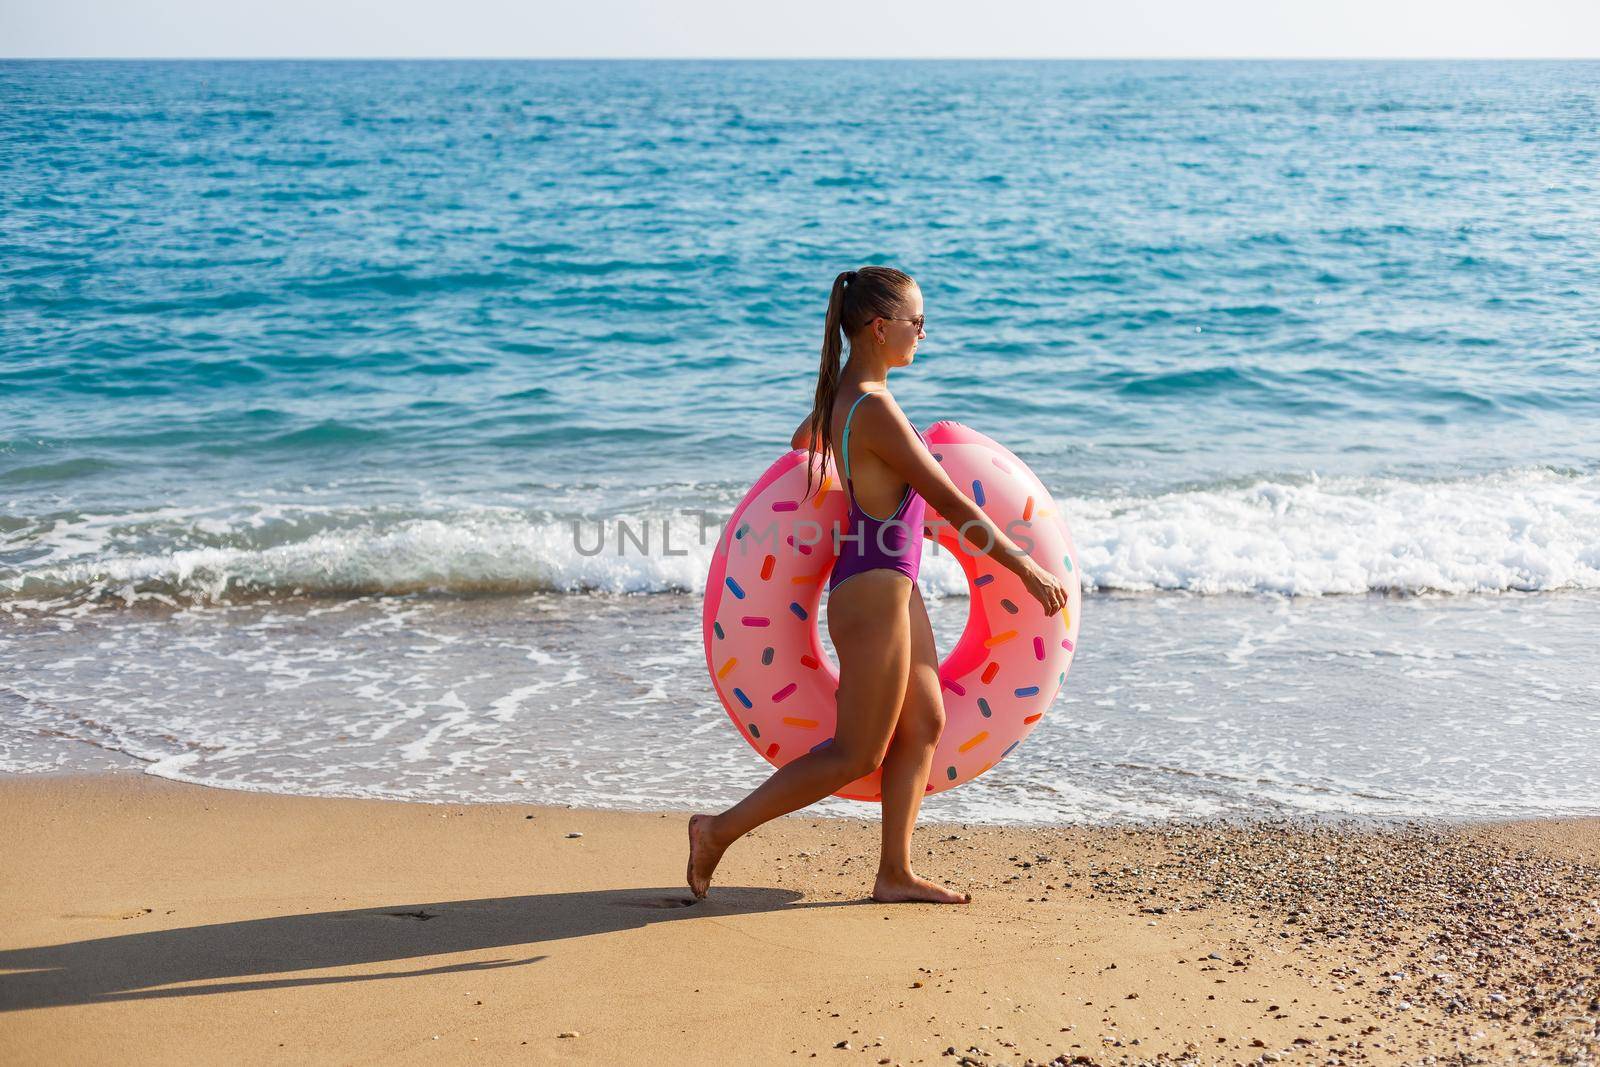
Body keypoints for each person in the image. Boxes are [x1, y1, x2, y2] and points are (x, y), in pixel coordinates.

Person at [687, 266, 1070, 904]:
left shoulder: (845, 394)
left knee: (924, 721)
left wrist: (886, 509)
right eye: (917, 321)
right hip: (872, 594)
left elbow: (804, 441)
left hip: (890, 586)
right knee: (857, 753)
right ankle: (717, 831)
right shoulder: (876, 407)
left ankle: (894, 871)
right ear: (879, 325)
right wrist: (1025, 567)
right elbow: (951, 502)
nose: (924, 332)